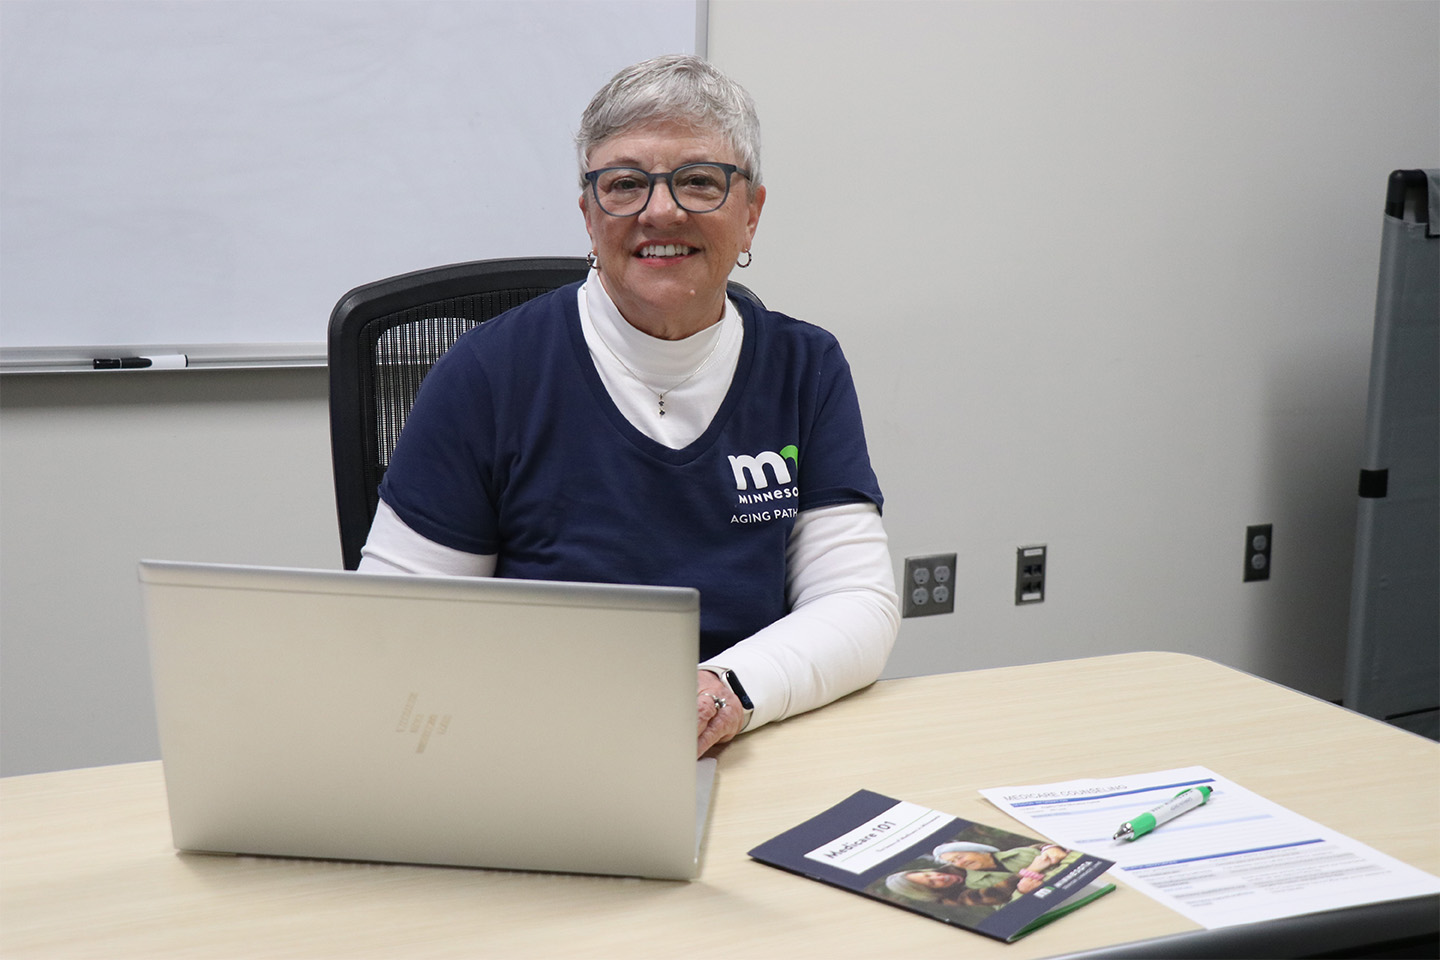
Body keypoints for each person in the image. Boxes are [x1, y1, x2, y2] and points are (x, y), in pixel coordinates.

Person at [358, 55, 899, 757]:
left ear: (751, 214)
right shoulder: (486, 376)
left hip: (747, 738)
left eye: (699, 181)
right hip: (539, 749)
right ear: (589, 215)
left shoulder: (805, 367)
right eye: (625, 184)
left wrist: (723, 692)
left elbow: (857, 604)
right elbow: (399, 630)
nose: (661, 210)